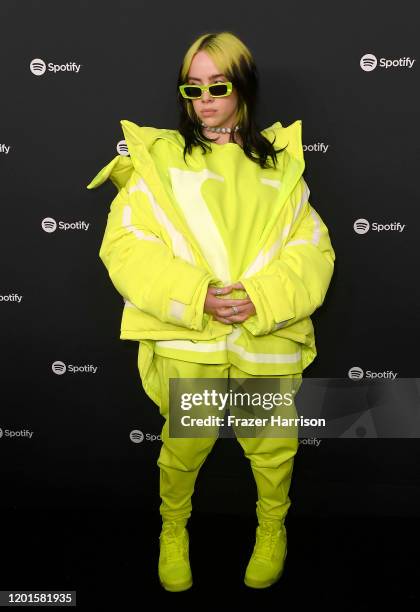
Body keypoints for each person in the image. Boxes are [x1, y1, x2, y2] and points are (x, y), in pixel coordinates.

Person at [87, 30, 335, 592]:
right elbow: (127, 244)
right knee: (183, 448)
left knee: (272, 449)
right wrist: (197, 293)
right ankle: (173, 529)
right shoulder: (161, 163)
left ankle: (272, 529)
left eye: (218, 85)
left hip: (260, 338)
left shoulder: (281, 171)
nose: (205, 99)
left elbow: (310, 250)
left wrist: (263, 297)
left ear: (243, 87)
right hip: (190, 339)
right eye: (192, 87)